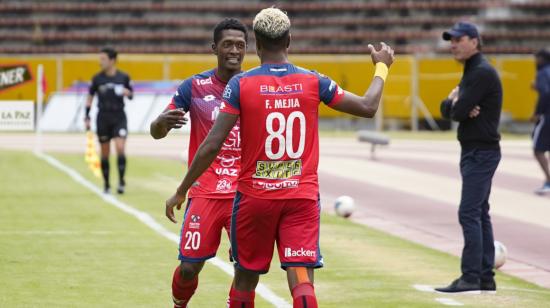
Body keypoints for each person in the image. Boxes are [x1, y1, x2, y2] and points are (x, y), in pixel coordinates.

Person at [165, 8, 394, 308]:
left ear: (256, 45)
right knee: (300, 279)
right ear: (289, 40)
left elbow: (211, 145)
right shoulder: (314, 81)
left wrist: (182, 189)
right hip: (300, 196)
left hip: (253, 198)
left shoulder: (241, 85)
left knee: (245, 278)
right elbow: (367, 106)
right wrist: (382, 68)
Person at [150, 18, 248, 308]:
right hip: (204, 191)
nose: (234, 50)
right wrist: (160, 122)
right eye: (228, 44)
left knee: (245, 268)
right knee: (190, 266)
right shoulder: (194, 87)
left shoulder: (254, 85)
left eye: (240, 45)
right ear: (214, 47)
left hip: (244, 193)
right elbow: (157, 133)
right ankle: (179, 304)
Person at [436, 22, 502, 294]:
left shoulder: (480, 73)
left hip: (481, 152)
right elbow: (450, 109)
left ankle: (471, 277)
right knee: (480, 213)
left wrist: (456, 104)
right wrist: (455, 103)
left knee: (469, 212)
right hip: (476, 151)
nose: (452, 44)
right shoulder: (473, 71)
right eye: (450, 40)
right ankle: (485, 277)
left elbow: (456, 111)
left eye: (458, 39)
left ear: (474, 41)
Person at [85, 47, 133, 194]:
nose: (101, 62)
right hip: (103, 118)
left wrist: (127, 92)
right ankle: (106, 184)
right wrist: (87, 116)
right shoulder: (97, 78)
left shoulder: (123, 77)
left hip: (119, 117)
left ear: (112, 60)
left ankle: (121, 182)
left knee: (120, 148)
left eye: (103, 59)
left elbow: (131, 94)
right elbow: (90, 97)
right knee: (104, 153)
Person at [531, 47, 550, 195]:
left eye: (537, 58)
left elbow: (545, 92)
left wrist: (537, 112)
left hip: (547, 115)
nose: (535, 61)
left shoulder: (542, 72)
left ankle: (549, 181)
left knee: (538, 149)